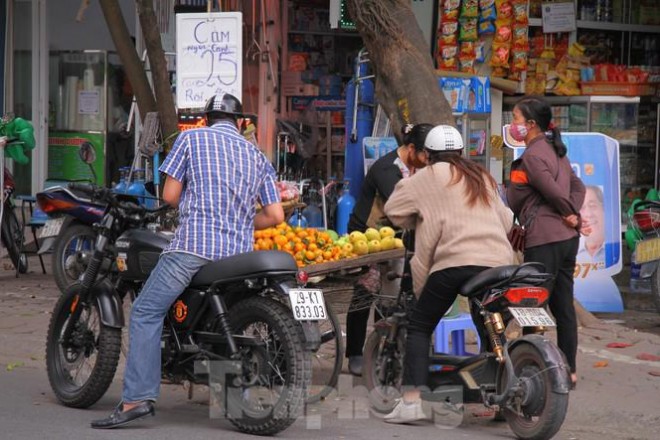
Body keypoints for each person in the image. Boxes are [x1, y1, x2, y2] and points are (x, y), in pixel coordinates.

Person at [91, 94, 284, 429]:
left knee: (145, 311)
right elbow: (275, 214)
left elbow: (169, 196)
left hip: (193, 249)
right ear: (239, 122)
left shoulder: (190, 138)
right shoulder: (256, 154)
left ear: (207, 118)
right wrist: (236, 220)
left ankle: (137, 398)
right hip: (238, 257)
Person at [382, 125, 515, 423]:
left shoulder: (427, 176)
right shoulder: (479, 175)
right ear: (460, 153)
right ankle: (504, 401)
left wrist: (421, 213)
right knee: (491, 328)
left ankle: (412, 401)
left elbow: (394, 209)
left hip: (455, 262)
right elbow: (506, 220)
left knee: (420, 326)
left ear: (427, 155)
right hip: (499, 263)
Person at [505, 96, 586, 391]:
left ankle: (534, 369)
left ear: (531, 125)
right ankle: (570, 372)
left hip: (545, 238)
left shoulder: (533, 155)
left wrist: (568, 213)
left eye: (515, 119)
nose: (512, 125)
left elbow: (551, 190)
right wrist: (572, 214)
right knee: (562, 305)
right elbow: (577, 186)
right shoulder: (556, 150)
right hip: (566, 240)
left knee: (531, 303)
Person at [345, 123, 433, 376]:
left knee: (390, 297)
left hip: (396, 240)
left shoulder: (416, 168)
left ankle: (382, 348)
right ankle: (354, 352)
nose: (429, 159)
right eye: (425, 154)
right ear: (411, 148)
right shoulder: (386, 168)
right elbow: (405, 202)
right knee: (365, 293)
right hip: (367, 237)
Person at [577, 185, 605, 267]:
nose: (588, 214)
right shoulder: (573, 255)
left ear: (603, 209)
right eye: (581, 208)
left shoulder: (613, 251)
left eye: (592, 206)